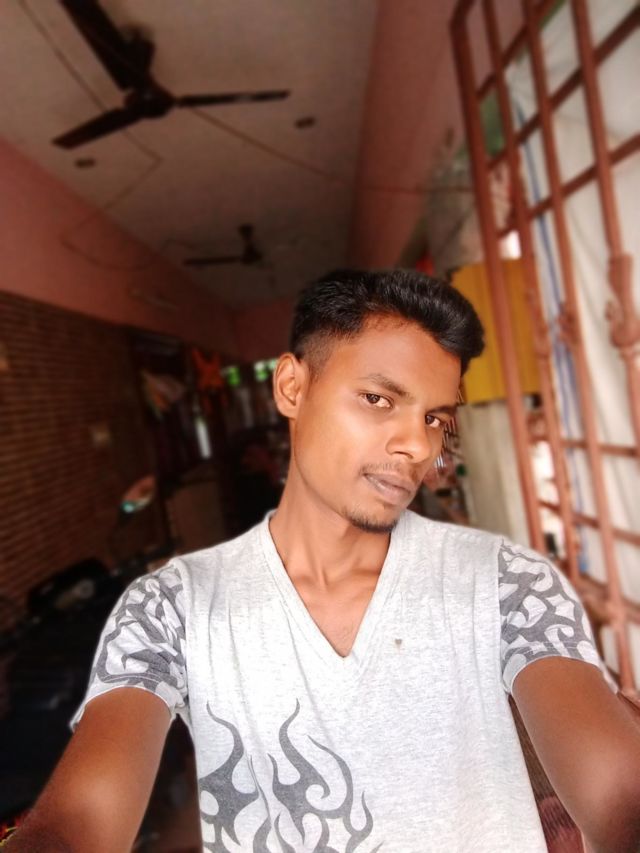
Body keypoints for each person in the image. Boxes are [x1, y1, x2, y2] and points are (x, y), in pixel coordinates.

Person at [8, 269, 640, 852]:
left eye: (435, 418)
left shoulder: (506, 582)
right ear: (292, 386)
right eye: (378, 399)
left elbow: (618, 792)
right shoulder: (172, 607)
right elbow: (78, 821)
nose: (417, 445)